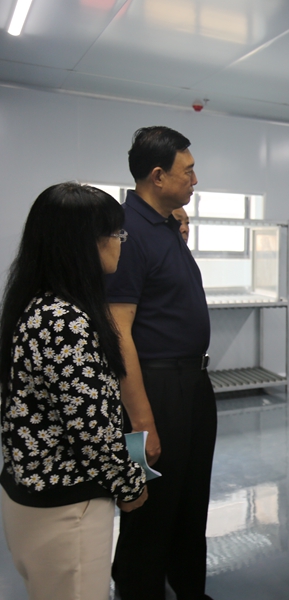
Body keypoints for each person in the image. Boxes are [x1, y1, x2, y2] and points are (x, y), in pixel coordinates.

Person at [0, 183, 148, 600]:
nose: (121, 242)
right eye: (116, 234)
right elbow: (90, 428)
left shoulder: (35, 304)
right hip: (67, 509)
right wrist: (130, 484)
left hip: (34, 498)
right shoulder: (64, 320)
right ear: (87, 243)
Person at [108, 126, 217, 599]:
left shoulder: (168, 227)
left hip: (191, 383)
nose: (195, 179)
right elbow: (118, 331)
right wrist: (142, 421)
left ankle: (188, 588)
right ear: (157, 176)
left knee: (191, 500)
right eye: (187, 171)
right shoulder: (127, 232)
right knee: (151, 508)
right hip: (155, 389)